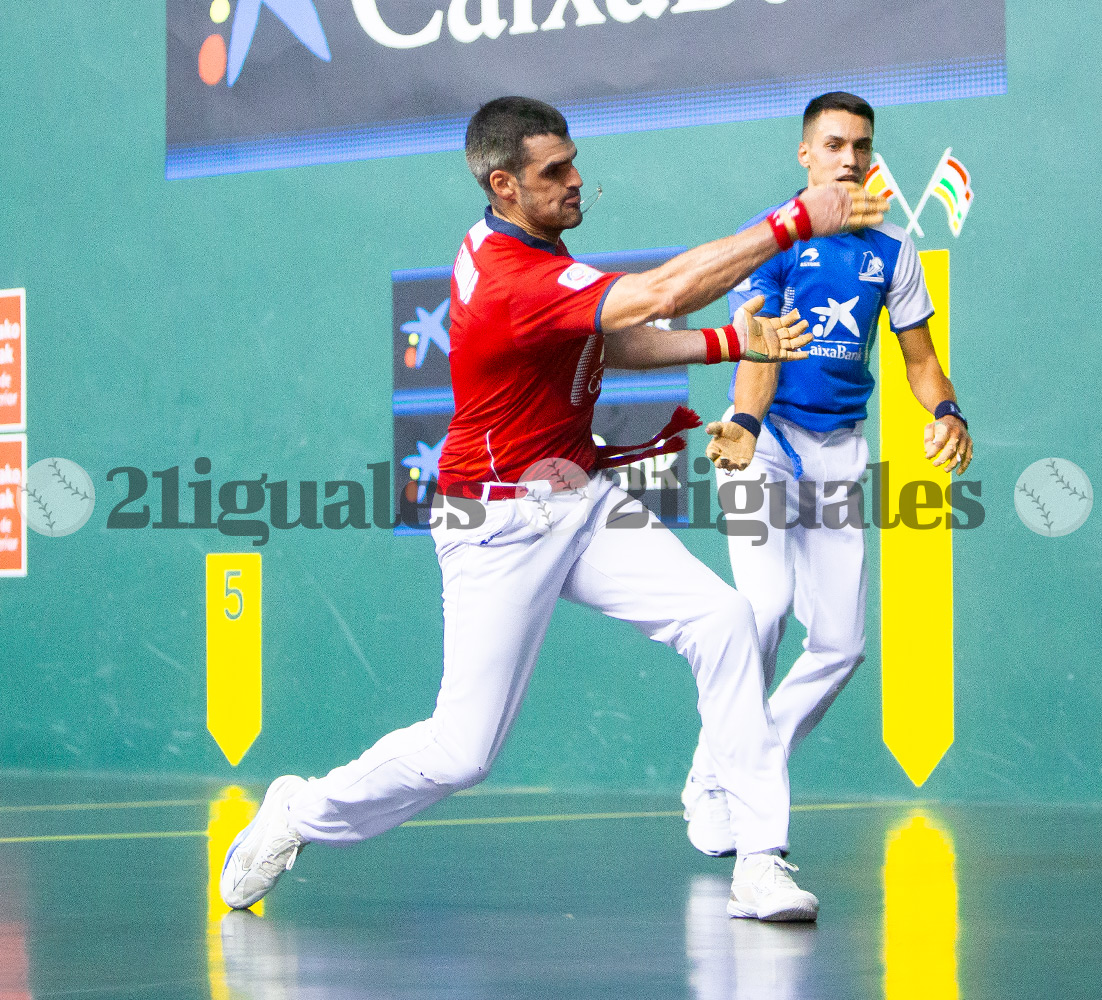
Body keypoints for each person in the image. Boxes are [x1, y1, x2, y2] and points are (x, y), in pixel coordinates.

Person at [220, 96, 887, 922]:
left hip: (578, 493)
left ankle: (758, 857)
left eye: (574, 161)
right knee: (463, 752)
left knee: (723, 620)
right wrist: (795, 220)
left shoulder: (525, 244)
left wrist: (731, 342)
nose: (577, 181)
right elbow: (656, 295)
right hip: (497, 523)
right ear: (503, 184)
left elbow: (607, 333)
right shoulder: (511, 279)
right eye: (554, 172)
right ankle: (298, 812)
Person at [681, 92, 974, 856]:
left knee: (841, 645)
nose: (850, 158)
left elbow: (919, 362)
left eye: (862, 146)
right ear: (806, 156)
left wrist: (947, 413)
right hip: (763, 439)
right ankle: (722, 783)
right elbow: (758, 344)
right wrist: (743, 425)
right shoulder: (772, 240)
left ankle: (735, 763)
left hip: (839, 451)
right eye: (835, 145)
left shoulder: (893, 252)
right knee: (766, 604)